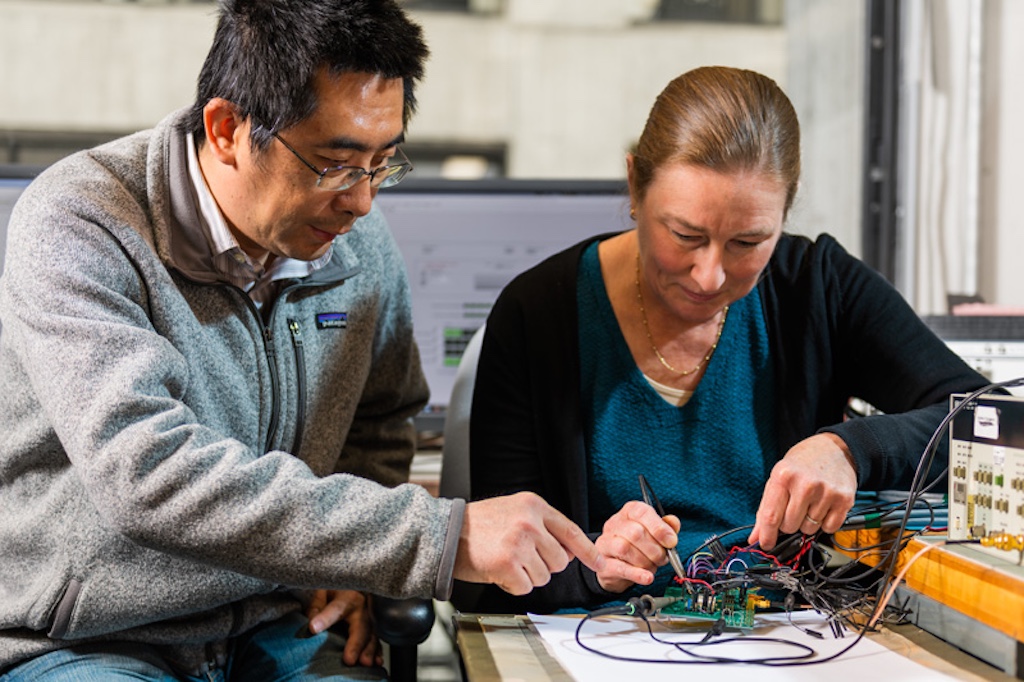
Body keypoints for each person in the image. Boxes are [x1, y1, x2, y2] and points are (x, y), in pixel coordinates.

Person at [0, 1, 607, 679]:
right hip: (99, 638)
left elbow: (381, 420)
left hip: (278, 620)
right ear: (227, 129)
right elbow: (147, 476)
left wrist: (354, 566)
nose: (362, 202)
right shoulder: (83, 223)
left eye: (383, 163)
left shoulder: (358, 246)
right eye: (337, 165)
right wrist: (438, 536)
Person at [463, 66, 989, 614]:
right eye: (685, 236)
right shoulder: (538, 313)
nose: (710, 276)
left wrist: (850, 450)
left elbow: (992, 423)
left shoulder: (816, 285)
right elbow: (495, 569)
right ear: (634, 186)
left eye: (748, 241)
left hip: (789, 641)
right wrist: (600, 568)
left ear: (786, 209)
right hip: (595, 641)